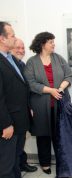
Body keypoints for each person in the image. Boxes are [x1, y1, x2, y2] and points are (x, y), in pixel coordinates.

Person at [24, 32, 72, 175]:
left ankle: (63, 161)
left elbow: (69, 75)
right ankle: (45, 163)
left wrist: (60, 88)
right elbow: (31, 83)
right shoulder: (32, 62)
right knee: (43, 136)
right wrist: (50, 90)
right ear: (42, 44)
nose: (54, 44)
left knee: (61, 135)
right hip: (40, 105)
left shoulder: (58, 58)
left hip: (60, 104)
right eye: (51, 42)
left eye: (53, 41)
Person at [0, 21, 30, 178]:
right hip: (8, 125)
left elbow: (20, 88)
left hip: (19, 121)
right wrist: (5, 124)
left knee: (15, 160)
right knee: (6, 165)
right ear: (2, 39)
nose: (15, 38)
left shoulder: (12, 60)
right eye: (12, 35)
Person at [10, 38, 38, 173]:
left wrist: (29, 107)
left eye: (22, 48)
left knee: (20, 142)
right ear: (9, 48)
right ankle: (16, 168)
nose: (21, 50)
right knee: (14, 146)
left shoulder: (21, 64)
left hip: (23, 111)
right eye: (18, 48)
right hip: (12, 114)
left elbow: (25, 89)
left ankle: (21, 163)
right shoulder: (8, 65)